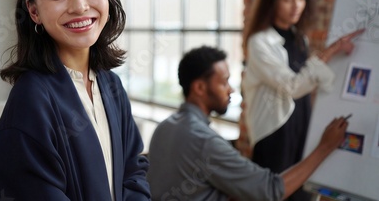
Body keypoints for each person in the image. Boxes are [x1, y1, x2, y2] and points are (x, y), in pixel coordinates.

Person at [0, 0, 151, 200]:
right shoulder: (31, 100)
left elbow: (133, 171)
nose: (80, 6)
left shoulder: (111, 85)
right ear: (34, 11)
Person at [147, 46, 349, 201]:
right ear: (199, 87)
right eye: (224, 82)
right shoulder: (205, 142)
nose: (231, 90)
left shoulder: (165, 127)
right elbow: (272, 190)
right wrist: (325, 147)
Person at [241, 0, 364, 200]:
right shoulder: (260, 42)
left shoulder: (300, 38)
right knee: (275, 193)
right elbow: (292, 86)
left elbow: (309, 81)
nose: (296, 5)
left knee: (303, 192)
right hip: (275, 131)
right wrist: (331, 50)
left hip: (302, 125)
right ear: (273, 1)